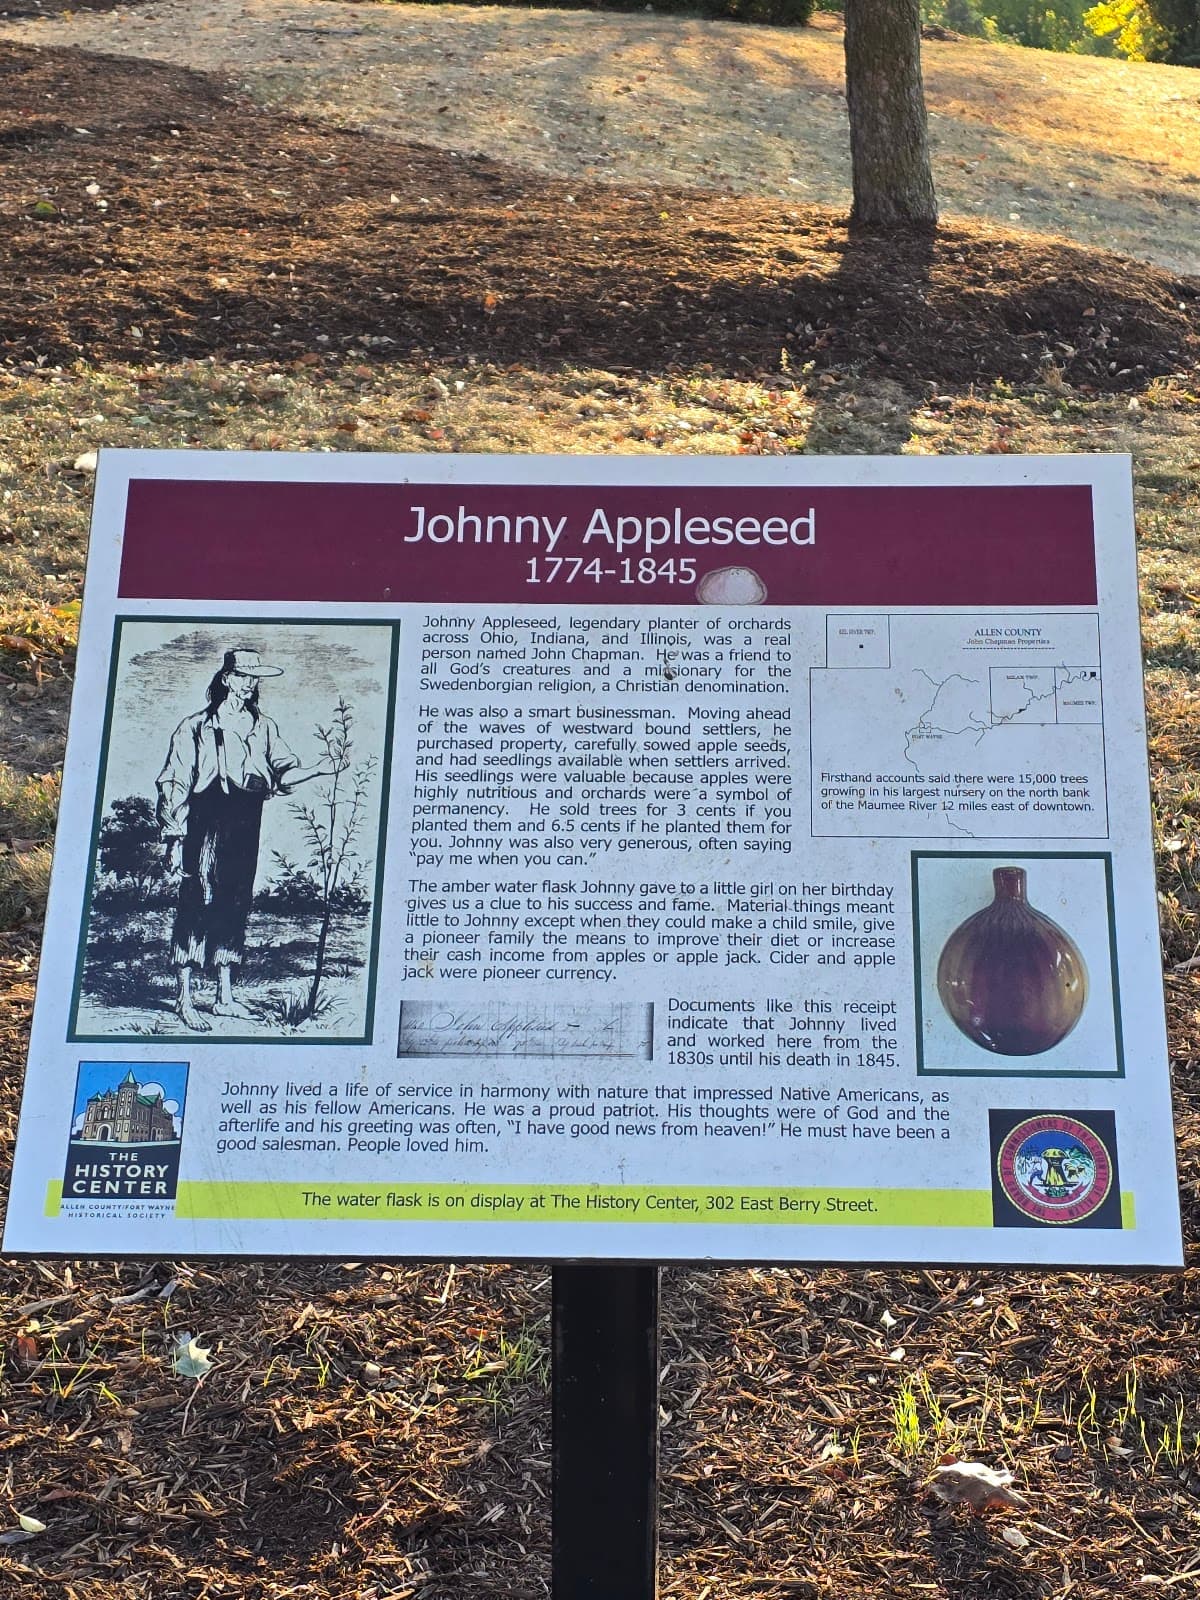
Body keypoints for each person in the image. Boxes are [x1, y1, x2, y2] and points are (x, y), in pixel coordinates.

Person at [156, 647, 330, 1031]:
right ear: (226, 679)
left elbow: (284, 774)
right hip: (205, 819)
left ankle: (224, 997)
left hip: (246, 819)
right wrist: (172, 837)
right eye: (244, 677)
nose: (250, 684)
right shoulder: (196, 726)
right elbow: (175, 782)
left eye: (255, 679)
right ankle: (184, 998)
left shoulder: (263, 726)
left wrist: (319, 769)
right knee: (196, 900)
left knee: (234, 901)